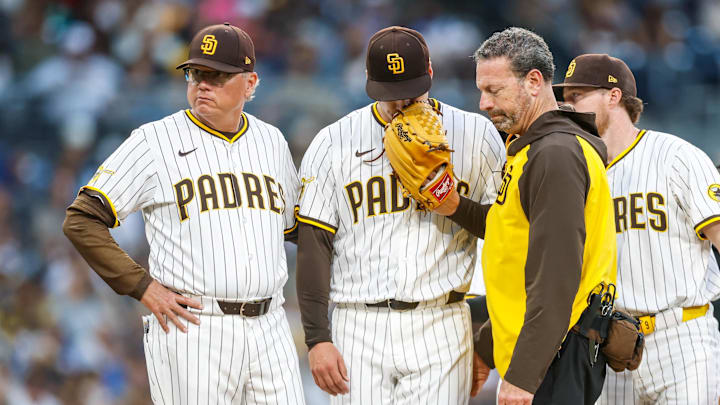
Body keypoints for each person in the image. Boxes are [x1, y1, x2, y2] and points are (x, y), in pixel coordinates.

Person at [62, 23, 306, 404]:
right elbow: (81, 219)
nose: (202, 84)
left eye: (218, 75)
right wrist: (142, 286)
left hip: (270, 324)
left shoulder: (271, 141)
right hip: (193, 326)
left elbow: (295, 229)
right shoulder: (154, 140)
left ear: (250, 82)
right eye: (196, 73)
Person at [295, 26, 505, 404]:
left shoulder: (476, 134)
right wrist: (317, 338)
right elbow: (314, 245)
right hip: (357, 320)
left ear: (430, 71)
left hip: (441, 319)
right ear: (367, 81)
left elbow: (507, 232)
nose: (402, 103)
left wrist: (453, 204)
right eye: (390, 95)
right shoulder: (333, 141)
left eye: (411, 91)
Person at [431, 27, 618, 404]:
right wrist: (452, 204)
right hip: (541, 351)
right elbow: (511, 234)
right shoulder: (532, 149)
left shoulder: (556, 155)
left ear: (534, 82)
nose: (483, 103)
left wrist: (523, 377)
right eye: (481, 90)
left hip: (554, 358)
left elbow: (557, 278)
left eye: (494, 90)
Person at [555, 53, 720, 404]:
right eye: (566, 99)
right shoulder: (579, 172)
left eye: (577, 96)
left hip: (682, 337)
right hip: (611, 344)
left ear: (613, 96)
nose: (568, 106)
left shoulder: (675, 156)